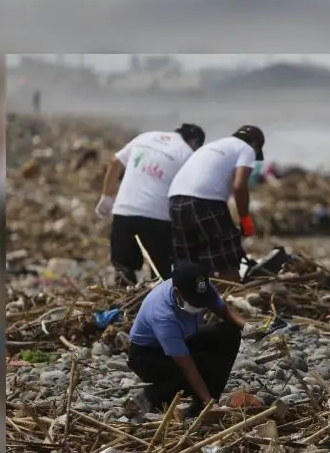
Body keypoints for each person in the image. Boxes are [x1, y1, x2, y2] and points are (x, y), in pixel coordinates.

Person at [127, 263, 247, 416]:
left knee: (229, 333)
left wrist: (250, 327)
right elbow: (187, 366)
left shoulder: (201, 286)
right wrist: (208, 403)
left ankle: (204, 403)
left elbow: (223, 311)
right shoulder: (163, 316)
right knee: (202, 364)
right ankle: (152, 396)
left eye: (202, 302)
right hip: (147, 356)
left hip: (184, 337)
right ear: (177, 294)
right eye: (195, 303)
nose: (199, 307)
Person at [95, 123, 206, 285]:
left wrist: (107, 196)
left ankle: (122, 304)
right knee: (160, 271)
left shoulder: (146, 137)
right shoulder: (187, 153)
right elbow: (190, 192)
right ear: (195, 142)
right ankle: (159, 304)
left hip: (124, 211)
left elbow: (115, 162)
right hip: (156, 217)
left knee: (123, 269)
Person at [167, 125, 265, 284]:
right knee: (225, 256)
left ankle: (193, 299)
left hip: (175, 200)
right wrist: (245, 219)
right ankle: (231, 294)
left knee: (188, 259)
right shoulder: (246, 148)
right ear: (255, 144)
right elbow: (239, 186)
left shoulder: (212, 146)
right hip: (205, 201)